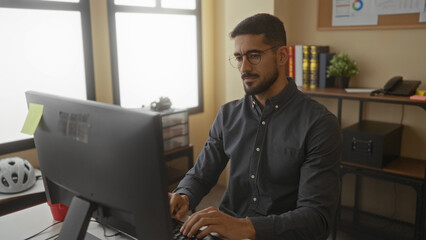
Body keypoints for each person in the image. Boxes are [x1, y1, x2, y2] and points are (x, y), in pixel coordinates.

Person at [169, 13, 341, 240]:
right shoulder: (227, 114)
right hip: (223, 233)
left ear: (282, 55)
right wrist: (184, 195)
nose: (243, 68)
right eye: (239, 58)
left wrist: (244, 226)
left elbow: (316, 219)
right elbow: (201, 175)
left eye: (254, 56)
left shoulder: (319, 124)